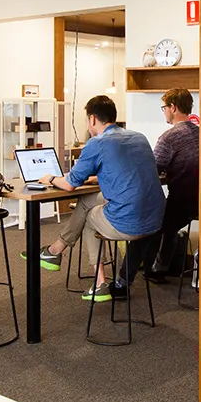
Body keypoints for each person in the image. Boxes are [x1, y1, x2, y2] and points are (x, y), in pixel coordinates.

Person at [26, 95, 165, 301]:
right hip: (155, 219)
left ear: (92, 119)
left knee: (89, 217)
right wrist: (94, 178)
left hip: (130, 221)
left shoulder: (96, 143)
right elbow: (124, 174)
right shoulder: (138, 137)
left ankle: (99, 282)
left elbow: (69, 184)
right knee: (88, 200)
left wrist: (50, 178)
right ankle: (54, 250)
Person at [144, 87, 199, 282]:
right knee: (169, 223)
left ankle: (154, 270)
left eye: (164, 107)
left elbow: (152, 168)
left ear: (173, 107)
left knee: (155, 223)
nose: (165, 112)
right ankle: (165, 265)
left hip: (182, 203)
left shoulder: (169, 137)